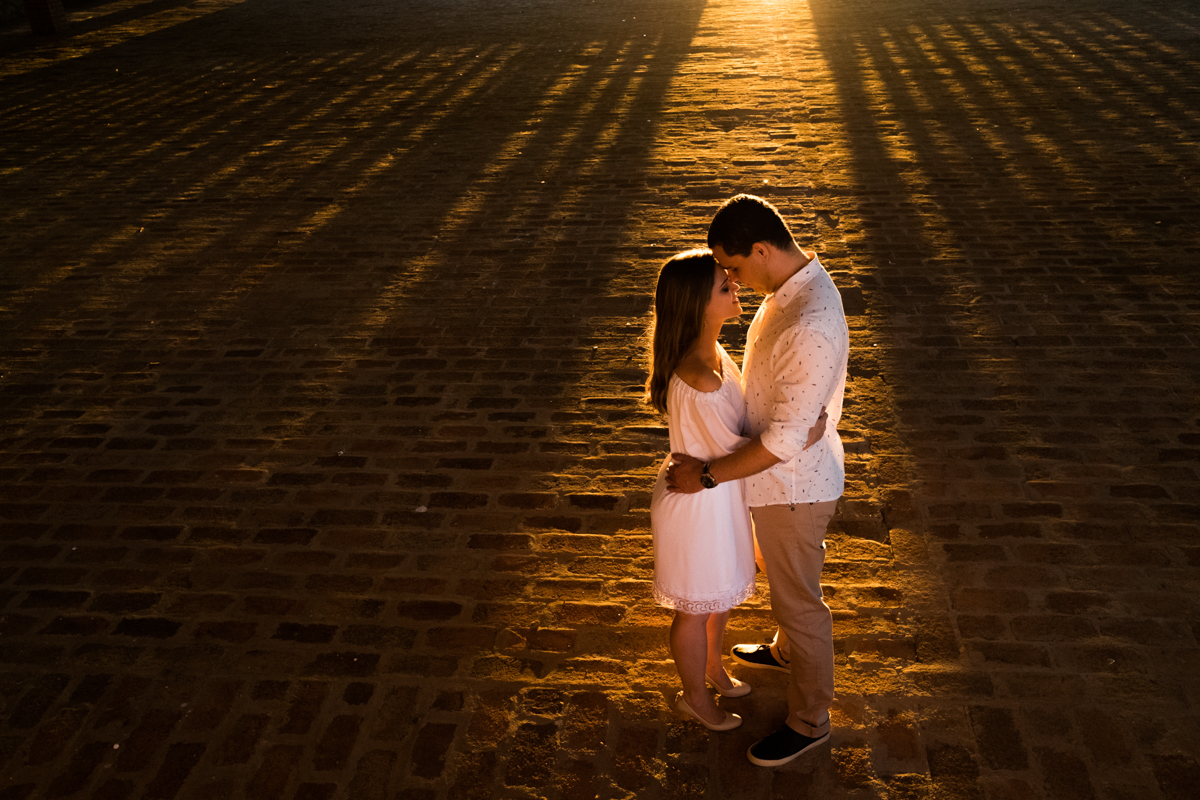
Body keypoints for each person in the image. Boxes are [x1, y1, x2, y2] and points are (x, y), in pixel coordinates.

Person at [667, 194, 849, 767]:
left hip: (794, 488)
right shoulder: (784, 291)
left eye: (734, 268)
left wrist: (707, 476)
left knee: (800, 603)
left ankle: (809, 719)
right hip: (779, 479)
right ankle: (787, 652)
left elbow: (783, 442)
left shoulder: (810, 321)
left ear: (763, 250)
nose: (731, 280)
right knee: (789, 593)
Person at [646, 249, 756, 732]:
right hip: (697, 506)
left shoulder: (713, 353)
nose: (734, 284)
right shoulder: (700, 376)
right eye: (722, 284)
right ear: (696, 305)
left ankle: (714, 667)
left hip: (720, 494)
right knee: (696, 607)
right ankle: (695, 697)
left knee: (721, 597)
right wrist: (799, 433)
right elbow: (741, 446)